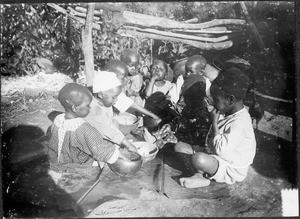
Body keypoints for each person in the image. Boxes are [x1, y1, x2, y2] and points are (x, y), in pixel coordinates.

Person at [175, 67, 256, 188]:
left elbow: (222, 150)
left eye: (216, 100)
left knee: (198, 159)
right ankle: (200, 175)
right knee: (179, 147)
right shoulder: (228, 111)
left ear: (230, 100)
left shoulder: (240, 123)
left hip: (230, 168)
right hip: (215, 154)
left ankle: (201, 176)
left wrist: (214, 122)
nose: (212, 103)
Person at [46, 83, 121, 193]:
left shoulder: (58, 120)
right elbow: (100, 149)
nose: (90, 108)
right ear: (75, 108)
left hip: (55, 165)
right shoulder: (83, 128)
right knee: (74, 192)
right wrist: (118, 154)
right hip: (74, 171)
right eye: (87, 106)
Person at [84, 71, 138, 151]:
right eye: (114, 97)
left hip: (106, 134)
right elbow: (108, 131)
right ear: (101, 94)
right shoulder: (96, 110)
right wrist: (127, 143)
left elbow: (110, 122)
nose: (116, 100)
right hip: (93, 144)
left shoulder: (103, 102)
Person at [103, 59, 161, 124]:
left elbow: (128, 102)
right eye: (122, 78)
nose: (125, 80)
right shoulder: (109, 90)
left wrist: (151, 115)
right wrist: (151, 115)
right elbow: (130, 104)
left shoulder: (109, 85)